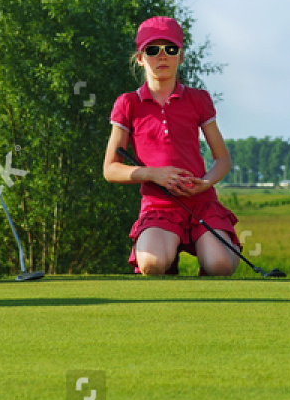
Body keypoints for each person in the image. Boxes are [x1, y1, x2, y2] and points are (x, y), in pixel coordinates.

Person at [102, 16, 240, 276]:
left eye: (171, 49)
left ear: (181, 56)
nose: (162, 56)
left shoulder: (199, 99)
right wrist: (153, 174)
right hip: (158, 206)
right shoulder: (128, 103)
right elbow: (110, 169)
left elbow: (222, 159)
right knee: (152, 265)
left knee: (220, 265)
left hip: (201, 203)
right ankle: (168, 261)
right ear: (141, 58)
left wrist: (206, 182)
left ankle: (223, 248)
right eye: (153, 50)